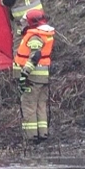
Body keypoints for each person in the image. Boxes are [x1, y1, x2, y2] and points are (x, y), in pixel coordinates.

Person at [14, 9, 54, 143]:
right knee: (40, 106)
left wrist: (24, 73)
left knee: (29, 106)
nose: (23, 23)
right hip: (42, 78)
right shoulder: (45, 34)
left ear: (32, 22)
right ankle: (42, 134)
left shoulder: (34, 36)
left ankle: (30, 137)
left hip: (32, 79)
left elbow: (35, 56)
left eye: (25, 21)